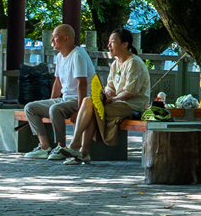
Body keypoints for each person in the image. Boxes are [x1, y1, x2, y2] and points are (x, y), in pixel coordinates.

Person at [70, 28, 151, 163]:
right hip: (117, 104)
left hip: (133, 105)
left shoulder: (134, 63)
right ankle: (80, 150)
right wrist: (106, 95)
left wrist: (113, 99)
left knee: (91, 108)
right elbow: (110, 87)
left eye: (112, 42)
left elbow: (130, 92)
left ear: (125, 44)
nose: (109, 46)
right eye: (109, 42)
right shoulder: (114, 64)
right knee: (89, 101)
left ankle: (78, 147)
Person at [21, 24, 96, 161]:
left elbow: (82, 83)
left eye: (55, 37)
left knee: (55, 109)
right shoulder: (60, 57)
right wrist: (49, 102)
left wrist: (80, 109)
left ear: (66, 38)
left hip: (79, 99)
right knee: (30, 108)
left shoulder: (77, 55)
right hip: (64, 99)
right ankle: (44, 147)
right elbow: (57, 82)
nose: (52, 41)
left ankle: (61, 147)